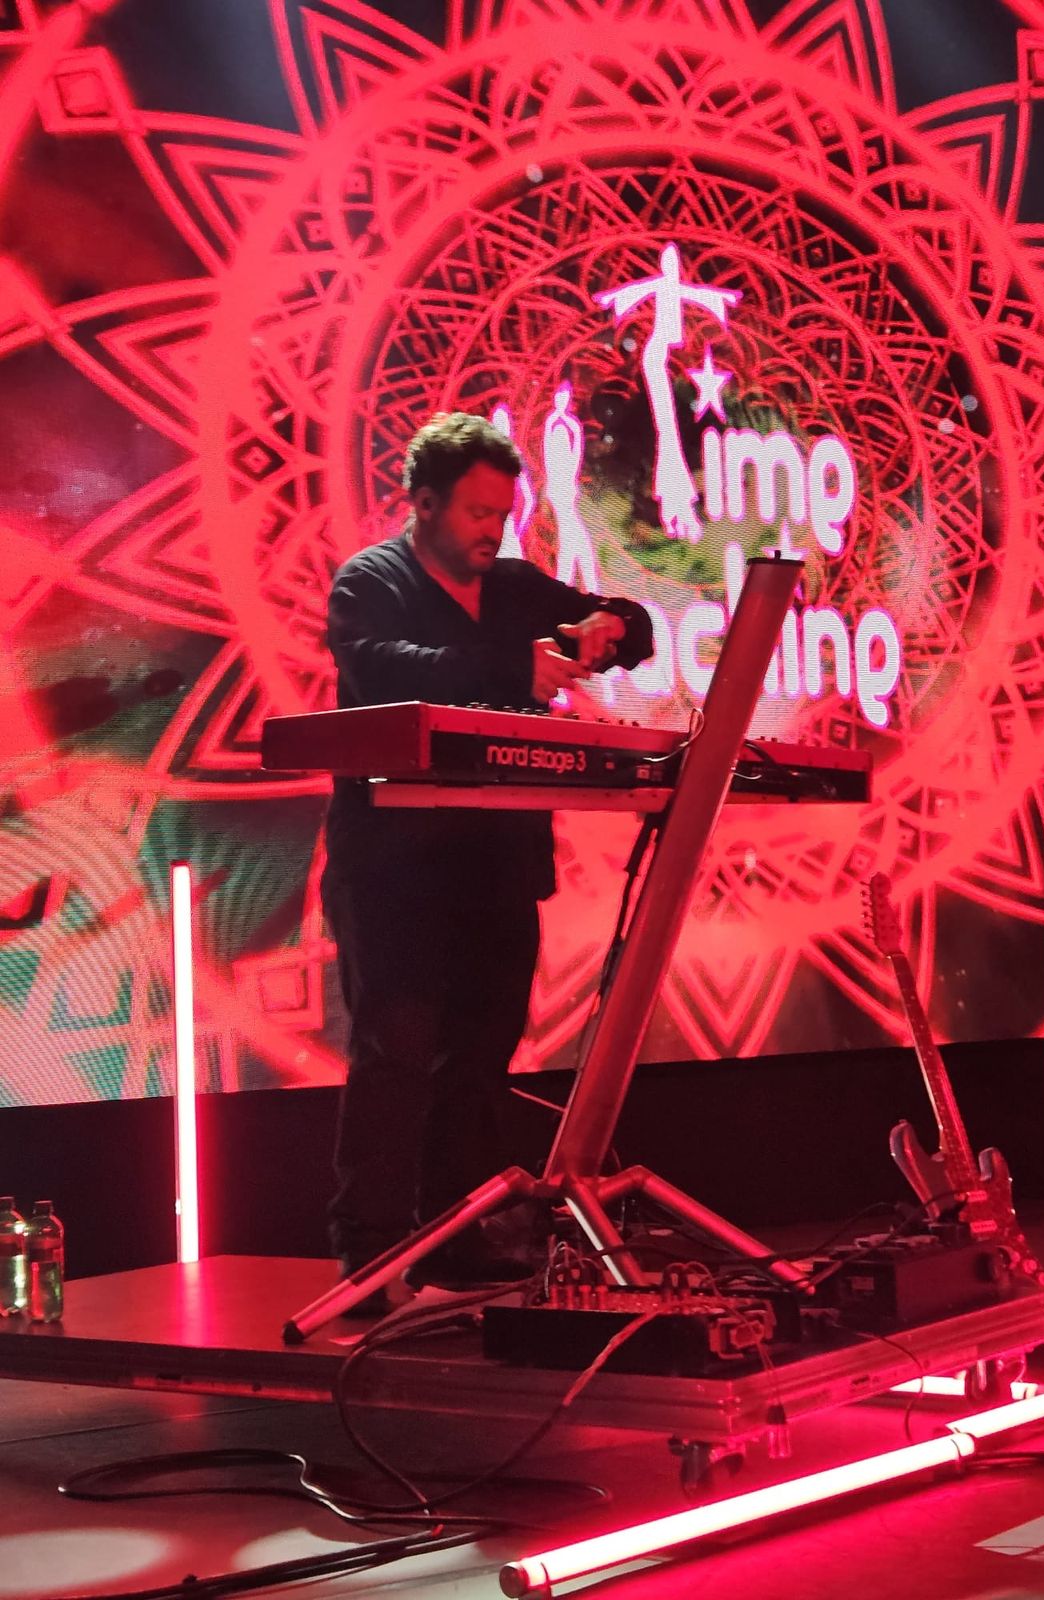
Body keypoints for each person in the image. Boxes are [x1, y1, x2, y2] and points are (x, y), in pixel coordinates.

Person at [322, 411, 653, 1293]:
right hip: (396, 869)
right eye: (475, 513)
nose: (492, 531)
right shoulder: (371, 581)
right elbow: (381, 666)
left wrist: (610, 628)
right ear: (423, 503)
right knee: (396, 1052)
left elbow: (633, 624)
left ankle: (459, 1235)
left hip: (498, 863)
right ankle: (371, 1245)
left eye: (502, 515)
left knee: (479, 1056)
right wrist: (513, 671)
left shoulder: (513, 586)